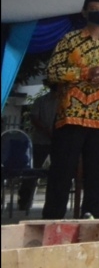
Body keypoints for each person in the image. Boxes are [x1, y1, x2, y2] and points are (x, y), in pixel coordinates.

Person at [42, 0, 99, 219]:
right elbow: (52, 72)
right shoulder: (69, 40)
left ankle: (93, 219)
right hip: (71, 114)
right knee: (62, 170)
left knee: (96, 174)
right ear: (84, 11)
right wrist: (84, 73)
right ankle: (53, 220)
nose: (98, 12)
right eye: (94, 8)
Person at [17, 83, 58, 212]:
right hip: (41, 140)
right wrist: (46, 131)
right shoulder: (41, 101)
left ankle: (53, 203)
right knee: (32, 173)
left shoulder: (64, 102)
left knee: (58, 173)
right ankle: (24, 201)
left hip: (58, 141)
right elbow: (34, 118)